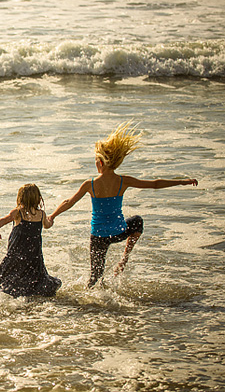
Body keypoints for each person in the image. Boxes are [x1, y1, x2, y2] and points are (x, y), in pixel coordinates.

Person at [47, 122, 198, 287]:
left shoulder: (90, 184)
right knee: (137, 221)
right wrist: (182, 182)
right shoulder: (122, 181)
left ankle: (89, 303)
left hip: (98, 237)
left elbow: (69, 201)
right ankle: (123, 260)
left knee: (95, 278)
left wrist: (52, 216)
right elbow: (154, 184)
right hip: (118, 232)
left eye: (96, 161)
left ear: (102, 163)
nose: (95, 163)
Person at [0, 183, 61, 297]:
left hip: (16, 252)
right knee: (32, 275)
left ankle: (0, 291)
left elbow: (4, 220)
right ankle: (30, 293)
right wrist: (51, 220)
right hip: (34, 253)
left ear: (21, 198)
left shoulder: (18, 212)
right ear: (38, 198)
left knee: (7, 272)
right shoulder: (41, 214)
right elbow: (47, 225)